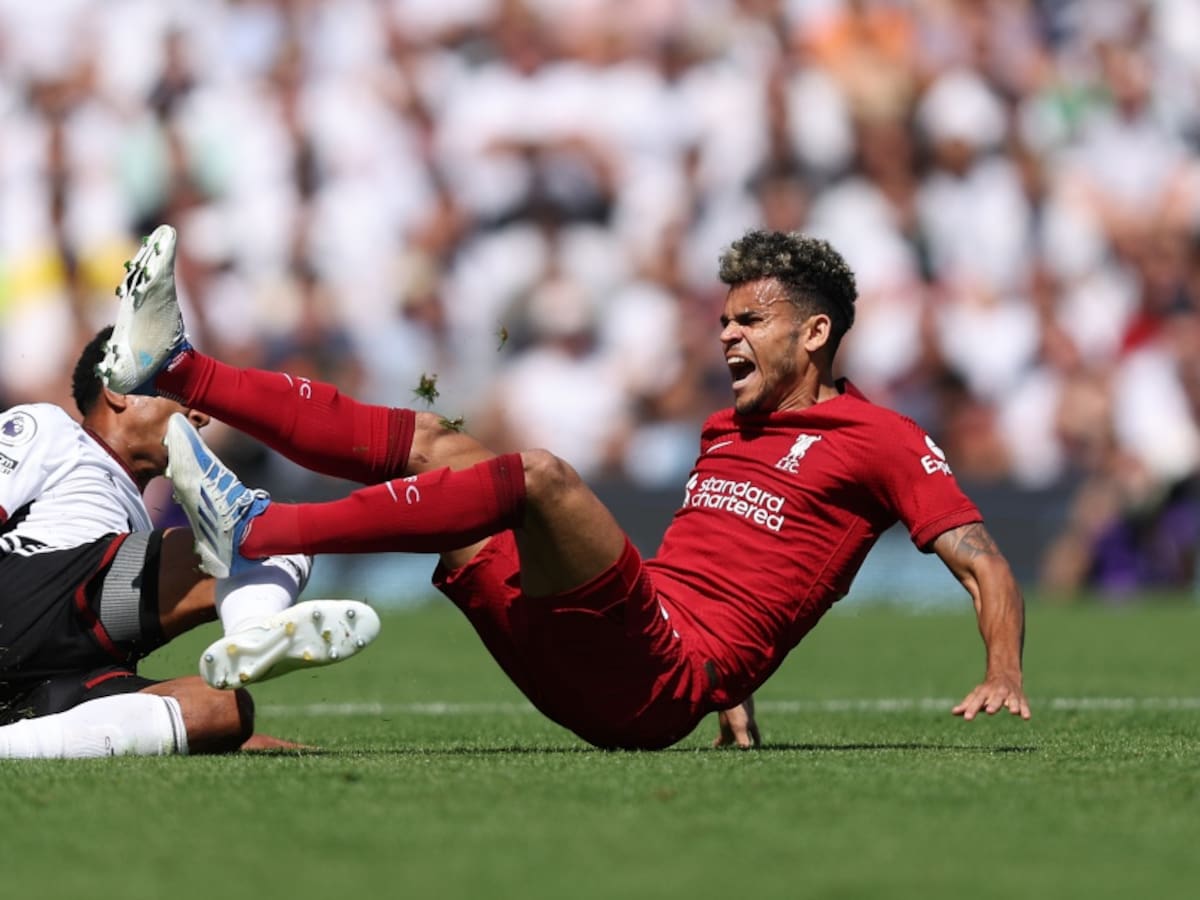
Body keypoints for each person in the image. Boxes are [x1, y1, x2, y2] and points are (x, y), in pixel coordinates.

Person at [100, 224, 1030, 751]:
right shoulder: (731, 426)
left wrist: (1002, 671)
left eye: (753, 320)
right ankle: (181, 368)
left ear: (816, 334)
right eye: (724, 319)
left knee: (539, 476)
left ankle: (260, 528)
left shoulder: (883, 438)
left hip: (651, 683)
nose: (728, 337)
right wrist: (737, 699)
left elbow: (981, 559)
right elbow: (741, 577)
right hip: (618, 647)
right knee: (435, 443)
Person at [0, 320, 380, 758]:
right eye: (181, 390)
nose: (200, 414)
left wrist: (216, 738)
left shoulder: (131, 518)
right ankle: (254, 629)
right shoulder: (47, 427)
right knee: (268, 532)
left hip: (43, 678)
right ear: (120, 391)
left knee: (222, 710)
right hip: (26, 604)